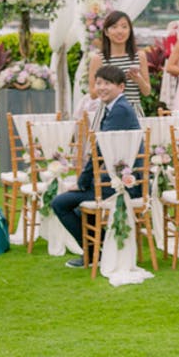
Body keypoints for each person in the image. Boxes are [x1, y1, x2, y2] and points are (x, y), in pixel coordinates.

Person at [51, 65, 141, 269]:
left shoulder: (120, 111)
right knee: (77, 204)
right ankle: (97, 249)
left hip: (124, 185)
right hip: (117, 178)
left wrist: (82, 183)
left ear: (121, 87)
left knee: (60, 203)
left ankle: (93, 252)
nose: (101, 87)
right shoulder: (116, 107)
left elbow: (99, 151)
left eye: (107, 83)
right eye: (98, 83)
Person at [89, 10, 150, 114]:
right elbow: (93, 94)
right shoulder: (98, 59)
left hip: (133, 111)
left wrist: (138, 79)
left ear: (130, 31)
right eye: (114, 27)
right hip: (108, 112)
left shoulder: (139, 56)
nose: (120, 31)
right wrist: (111, 84)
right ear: (106, 32)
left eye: (124, 27)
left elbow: (147, 91)